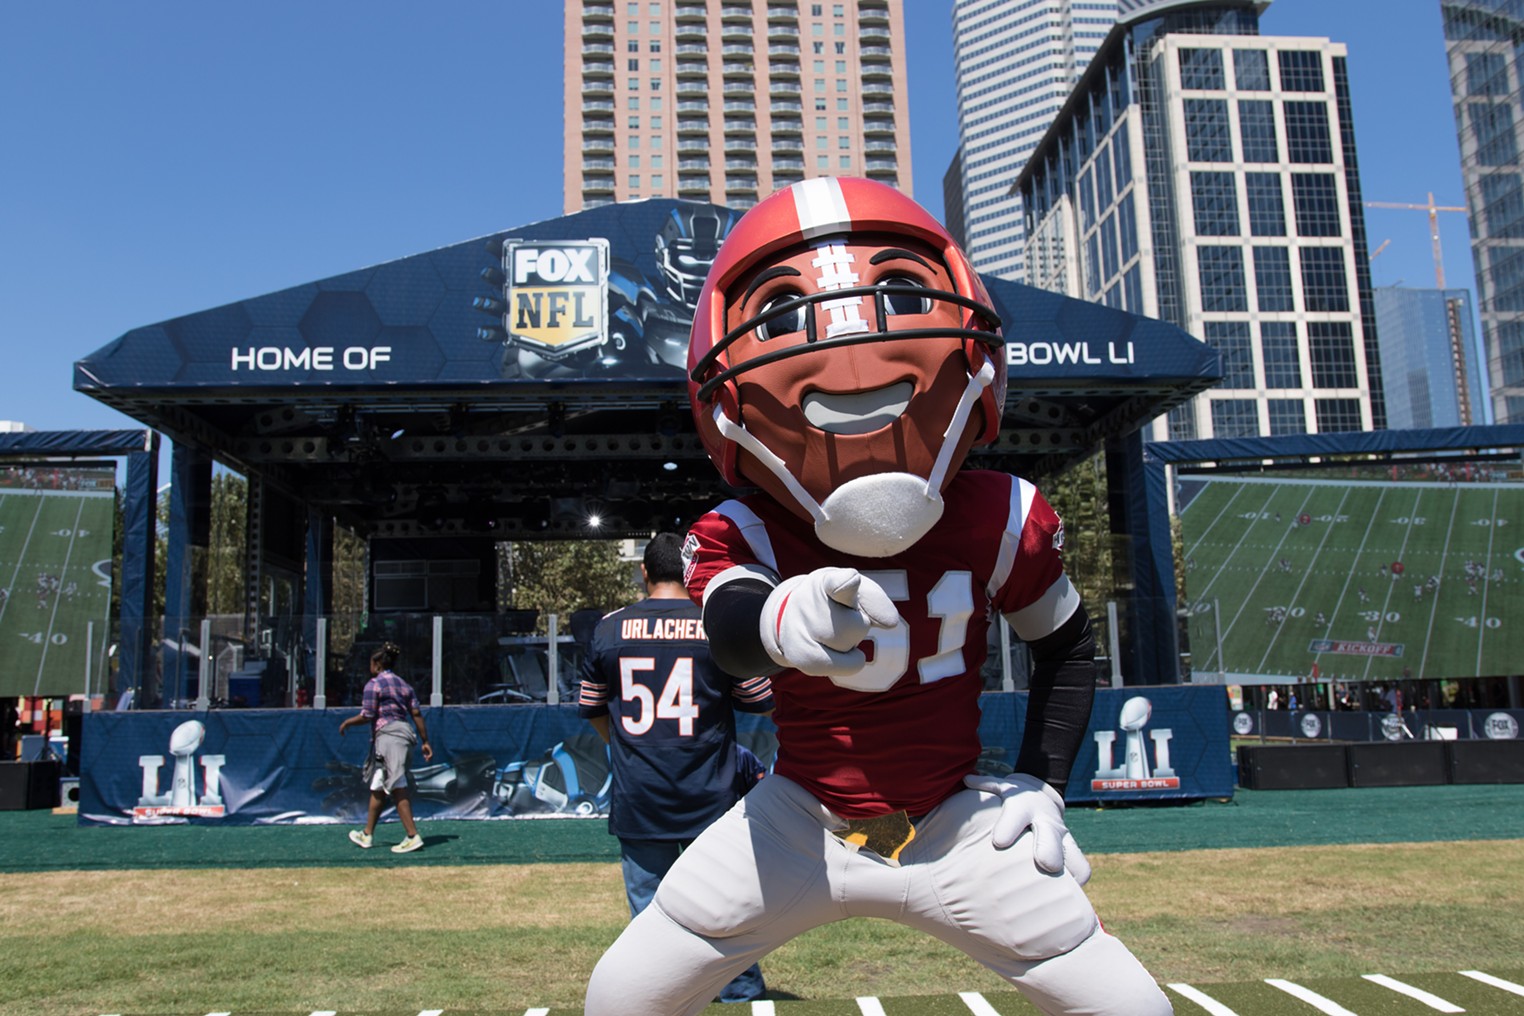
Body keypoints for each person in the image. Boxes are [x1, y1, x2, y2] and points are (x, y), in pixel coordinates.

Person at [584, 178, 1172, 1015]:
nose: (849, 343)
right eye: (786, 311)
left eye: (896, 291)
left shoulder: (1001, 516)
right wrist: (783, 619)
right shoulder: (744, 530)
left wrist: (1043, 782)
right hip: (799, 820)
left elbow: (1067, 645)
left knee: (1131, 1008)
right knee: (622, 996)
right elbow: (732, 631)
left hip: (955, 824)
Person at [578, 533, 775, 1005]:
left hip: (640, 794)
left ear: (644, 572)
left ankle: (658, 1001)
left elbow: (592, 708)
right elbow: (761, 700)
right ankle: (742, 997)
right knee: (725, 908)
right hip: (711, 794)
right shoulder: (714, 624)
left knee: (651, 921)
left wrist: (628, 746)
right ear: (690, 572)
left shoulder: (608, 629)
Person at [338, 641, 433, 854]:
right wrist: (425, 741)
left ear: (377, 664)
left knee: (397, 784)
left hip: (388, 737)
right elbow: (416, 713)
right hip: (404, 735)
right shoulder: (404, 685)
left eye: (371, 663)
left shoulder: (374, 684)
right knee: (379, 784)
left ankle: (412, 836)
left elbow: (368, 715)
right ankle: (367, 834)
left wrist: (347, 723)